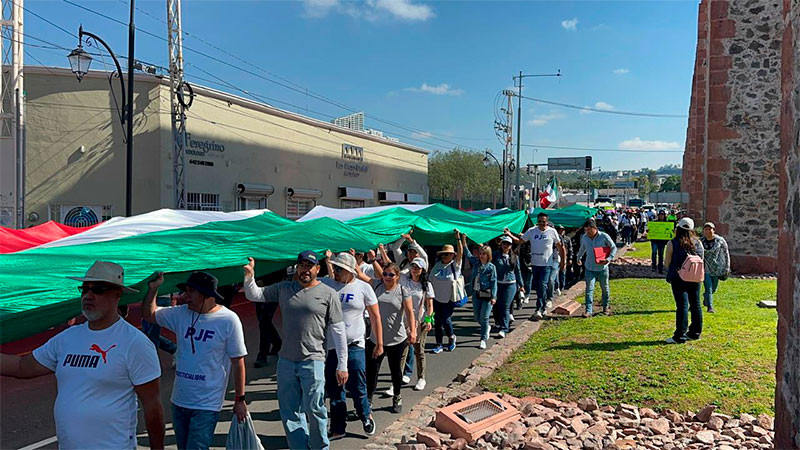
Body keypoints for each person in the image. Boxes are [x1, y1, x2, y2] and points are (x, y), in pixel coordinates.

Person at [0, 261, 165, 449]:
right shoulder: (67, 338)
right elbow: (22, 366)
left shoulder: (135, 343)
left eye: (98, 289)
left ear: (117, 295)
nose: (88, 295)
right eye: (84, 289)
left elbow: (153, 408)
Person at [243, 251, 349, 450]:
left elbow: (339, 330)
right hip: (286, 362)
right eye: (302, 266)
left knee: (315, 409)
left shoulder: (328, 294)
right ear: (297, 268)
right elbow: (254, 295)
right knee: (290, 411)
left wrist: (342, 365)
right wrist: (249, 276)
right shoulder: (285, 288)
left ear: (318, 269)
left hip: (314, 360)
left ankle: (319, 447)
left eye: (309, 266)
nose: (305, 270)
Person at [143, 271, 248, 450]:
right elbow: (150, 315)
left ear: (206, 295)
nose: (185, 296)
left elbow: (238, 361)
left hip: (207, 405)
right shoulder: (180, 314)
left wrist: (240, 399)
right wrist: (154, 289)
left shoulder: (228, 320)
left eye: (191, 291)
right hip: (179, 401)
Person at [319, 251, 383, 439]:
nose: (336, 272)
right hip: (332, 346)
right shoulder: (327, 284)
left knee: (357, 385)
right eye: (335, 268)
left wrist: (378, 342)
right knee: (335, 388)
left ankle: (365, 415)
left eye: (340, 269)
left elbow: (375, 316)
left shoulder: (363, 288)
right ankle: (338, 427)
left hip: (355, 344)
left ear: (350, 271)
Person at [365, 263, 417, 414]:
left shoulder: (402, 291)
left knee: (395, 370)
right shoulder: (376, 286)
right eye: (385, 274)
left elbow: (409, 312)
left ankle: (397, 396)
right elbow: (360, 275)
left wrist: (412, 331)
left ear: (397, 276)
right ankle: (368, 400)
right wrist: (362, 256)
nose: (387, 277)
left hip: (396, 338)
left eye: (391, 275)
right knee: (372, 370)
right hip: (376, 338)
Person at [505, 212, 565, 320]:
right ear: (537, 222)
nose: (542, 224)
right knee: (538, 287)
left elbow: (560, 246)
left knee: (542, 285)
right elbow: (520, 241)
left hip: (547, 264)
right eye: (540, 222)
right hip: (535, 264)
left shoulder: (552, 232)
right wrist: (509, 234)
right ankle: (542, 307)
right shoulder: (532, 231)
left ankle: (539, 309)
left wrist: (563, 262)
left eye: (544, 222)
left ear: (547, 222)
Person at [395, 257, 434, 391]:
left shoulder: (426, 285)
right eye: (413, 267)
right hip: (405, 321)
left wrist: (429, 320)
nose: (414, 270)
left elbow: (430, 305)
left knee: (419, 350)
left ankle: (421, 377)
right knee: (403, 351)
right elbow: (393, 268)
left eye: (417, 267)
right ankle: (397, 379)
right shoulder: (405, 281)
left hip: (420, 321)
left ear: (422, 269)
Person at [664, 218, 705, 344]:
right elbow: (701, 258)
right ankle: (695, 332)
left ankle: (680, 335)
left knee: (682, 305)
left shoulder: (673, 243)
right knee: (696, 304)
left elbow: (667, 262)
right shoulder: (698, 243)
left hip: (679, 277)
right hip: (695, 277)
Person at [429, 230, 466, 353]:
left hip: (449, 298)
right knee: (437, 322)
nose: (445, 256)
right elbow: (430, 279)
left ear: (452, 255)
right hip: (436, 298)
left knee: (446, 320)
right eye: (443, 254)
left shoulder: (455, 265)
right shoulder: (437, 265)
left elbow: (461, 252)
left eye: (448, 254)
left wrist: (458, 239)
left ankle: (451, 337)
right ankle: (439, 344)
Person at [576, 219, 618, 317]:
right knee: (589, 289)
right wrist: (579, 257)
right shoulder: (585, 237)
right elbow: (582, 248)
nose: (588, 232)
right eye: (586, 230)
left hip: (602, 268)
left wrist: (608, 259)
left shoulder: (604, 236)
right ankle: (588, 310)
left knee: (605, 289)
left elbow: (613, 247)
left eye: (589, 230)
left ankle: (605, 307)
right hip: (589, 268)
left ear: (595, 228)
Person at [492, 236, 523, 338]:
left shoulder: (514, 257)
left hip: (510, 284)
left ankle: (504, 329)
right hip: (498, 283)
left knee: (505, 306)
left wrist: (521, 285)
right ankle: (501, 322)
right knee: (497, 306)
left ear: (510, 246)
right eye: (504, 243)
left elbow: (517, 271)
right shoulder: (496, 255)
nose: (505, 246)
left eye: (508, 244)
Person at [468, 245, 497, 348]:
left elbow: (494, 282)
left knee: (484, 317)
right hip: (476, 293)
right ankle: (486, 327)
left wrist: (494, 296)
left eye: (484, 254)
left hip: (486, 294)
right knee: (477, 317)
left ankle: (483, 339)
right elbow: (467, 254)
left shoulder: (491, 267)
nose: (481, 256)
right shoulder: (476, 264)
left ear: (488, 255)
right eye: (480, 253)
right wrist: (462, 241)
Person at [700, 222, 730, 314]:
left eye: (710, 229)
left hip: (717, 268)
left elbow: (726, 254)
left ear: (714, 230)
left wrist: (727, 267)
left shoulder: (720, 240)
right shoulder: (701, 241)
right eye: (706, 229)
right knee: (708, 287)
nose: (708, 231)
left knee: (713, 289)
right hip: (705, 268)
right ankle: (710, 307)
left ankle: (706, 298)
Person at [556, 225, 572, 291]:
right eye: (560, 230)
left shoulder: (567, 239)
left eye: (563, 230)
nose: (561, 231)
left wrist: (570, 258)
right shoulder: (556, 238)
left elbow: (570, 248)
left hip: (565, 257)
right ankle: (557, 287)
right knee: (556, 273)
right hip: (556, 257)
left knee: (563, 273)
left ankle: (562, 286)